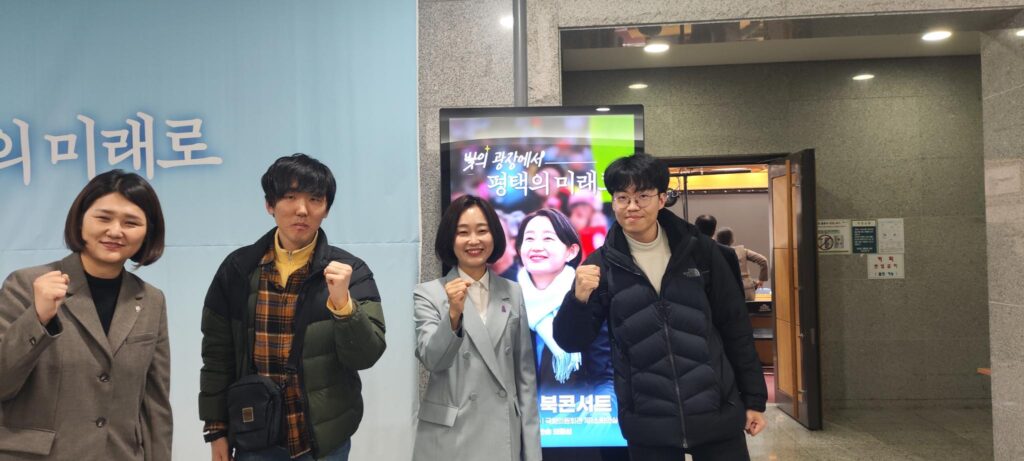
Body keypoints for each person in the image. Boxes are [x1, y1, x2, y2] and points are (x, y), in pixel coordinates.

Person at [553, 153, 767, 461]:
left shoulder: (701, 252)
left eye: (642, 196)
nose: (632, 206)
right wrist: (578, 300)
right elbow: (571, 341)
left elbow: (736, 328)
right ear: (613, 203)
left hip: (716, 411)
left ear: (662, 198)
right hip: (648, 420)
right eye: (622, 197)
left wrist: (754, 399)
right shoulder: (600, 265)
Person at [199, 154, 386, 461]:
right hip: (254, 435)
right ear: (269, 204)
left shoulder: (351, 271)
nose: (302, 210)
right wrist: (216, 429)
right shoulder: (238, 269)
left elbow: (366, 355)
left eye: (314, 199)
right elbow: (217, 355)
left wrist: (344, 306)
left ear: (326, 209)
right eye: (289, 197)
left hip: (323, 442)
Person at [0, 170, 172, 459]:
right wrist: (38, 318)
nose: (115, 231)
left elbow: (155, 405)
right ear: (80, 221)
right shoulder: (27, 284)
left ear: (147, 233)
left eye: (131, 223)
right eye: (103, 218)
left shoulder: (151, 300)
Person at [412, 195, 541, 461]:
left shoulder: (513, 292)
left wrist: (532, 453)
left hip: (501, 433)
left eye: (482, 231)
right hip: (449, 437)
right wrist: (453, 314)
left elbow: (525, 379)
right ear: (450, 239)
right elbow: (432, 360)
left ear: (494, 236)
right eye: (463, 232)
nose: (474, 240)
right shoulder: (429, 294)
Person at [715, 227, 769, 301]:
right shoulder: (742, 251)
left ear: (717, 240)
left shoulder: (714, 253)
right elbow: (763, 260)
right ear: (732, 240)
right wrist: (761, 280)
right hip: (746, 289)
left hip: (725, 290)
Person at [694, 214, 743, 292]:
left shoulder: (685, 251)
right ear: (714, 231)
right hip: (721, 296)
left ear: (695, 228)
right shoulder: (728, 252)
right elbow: (737, 281)